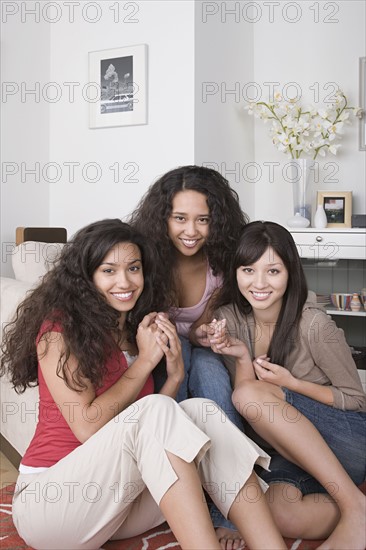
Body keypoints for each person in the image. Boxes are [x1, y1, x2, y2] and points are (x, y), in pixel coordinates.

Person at [0, 219, 287, 550]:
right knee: (159, 408)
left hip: (113, 506)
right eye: (109, 271)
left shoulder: (135, 331)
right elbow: (89, 428)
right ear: (86, 277)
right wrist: (148, 362)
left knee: (201, 411)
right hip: (51, 506)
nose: (125, 281)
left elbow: (147, 434)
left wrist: (176, 374)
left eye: (133, 268)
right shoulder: (59, 332)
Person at [204, 220, 366, 550]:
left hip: (344, 441)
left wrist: (292, 384)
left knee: (249, 394)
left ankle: (355, 508)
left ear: (290, 272)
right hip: (288, 454)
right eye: (248, 270)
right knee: (280, 515)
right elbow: (248, 408)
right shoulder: (232, 317)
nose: (259, 283)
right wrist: (240, 357)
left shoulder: (313, 324)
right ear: (236, 272)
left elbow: (356, 400)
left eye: (273, 271)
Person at [128, 165, 249, 548]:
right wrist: (179, 340)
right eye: (180, 218)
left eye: (203, 220)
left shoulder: (219, 263)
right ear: (163, 217)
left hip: (200, 351)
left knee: (212, 376)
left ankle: (229, 502)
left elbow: (204, 323)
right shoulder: (146, 260)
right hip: (160, 355)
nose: (191, 231)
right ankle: (184, 490)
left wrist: (201, 332)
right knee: (178, 364)